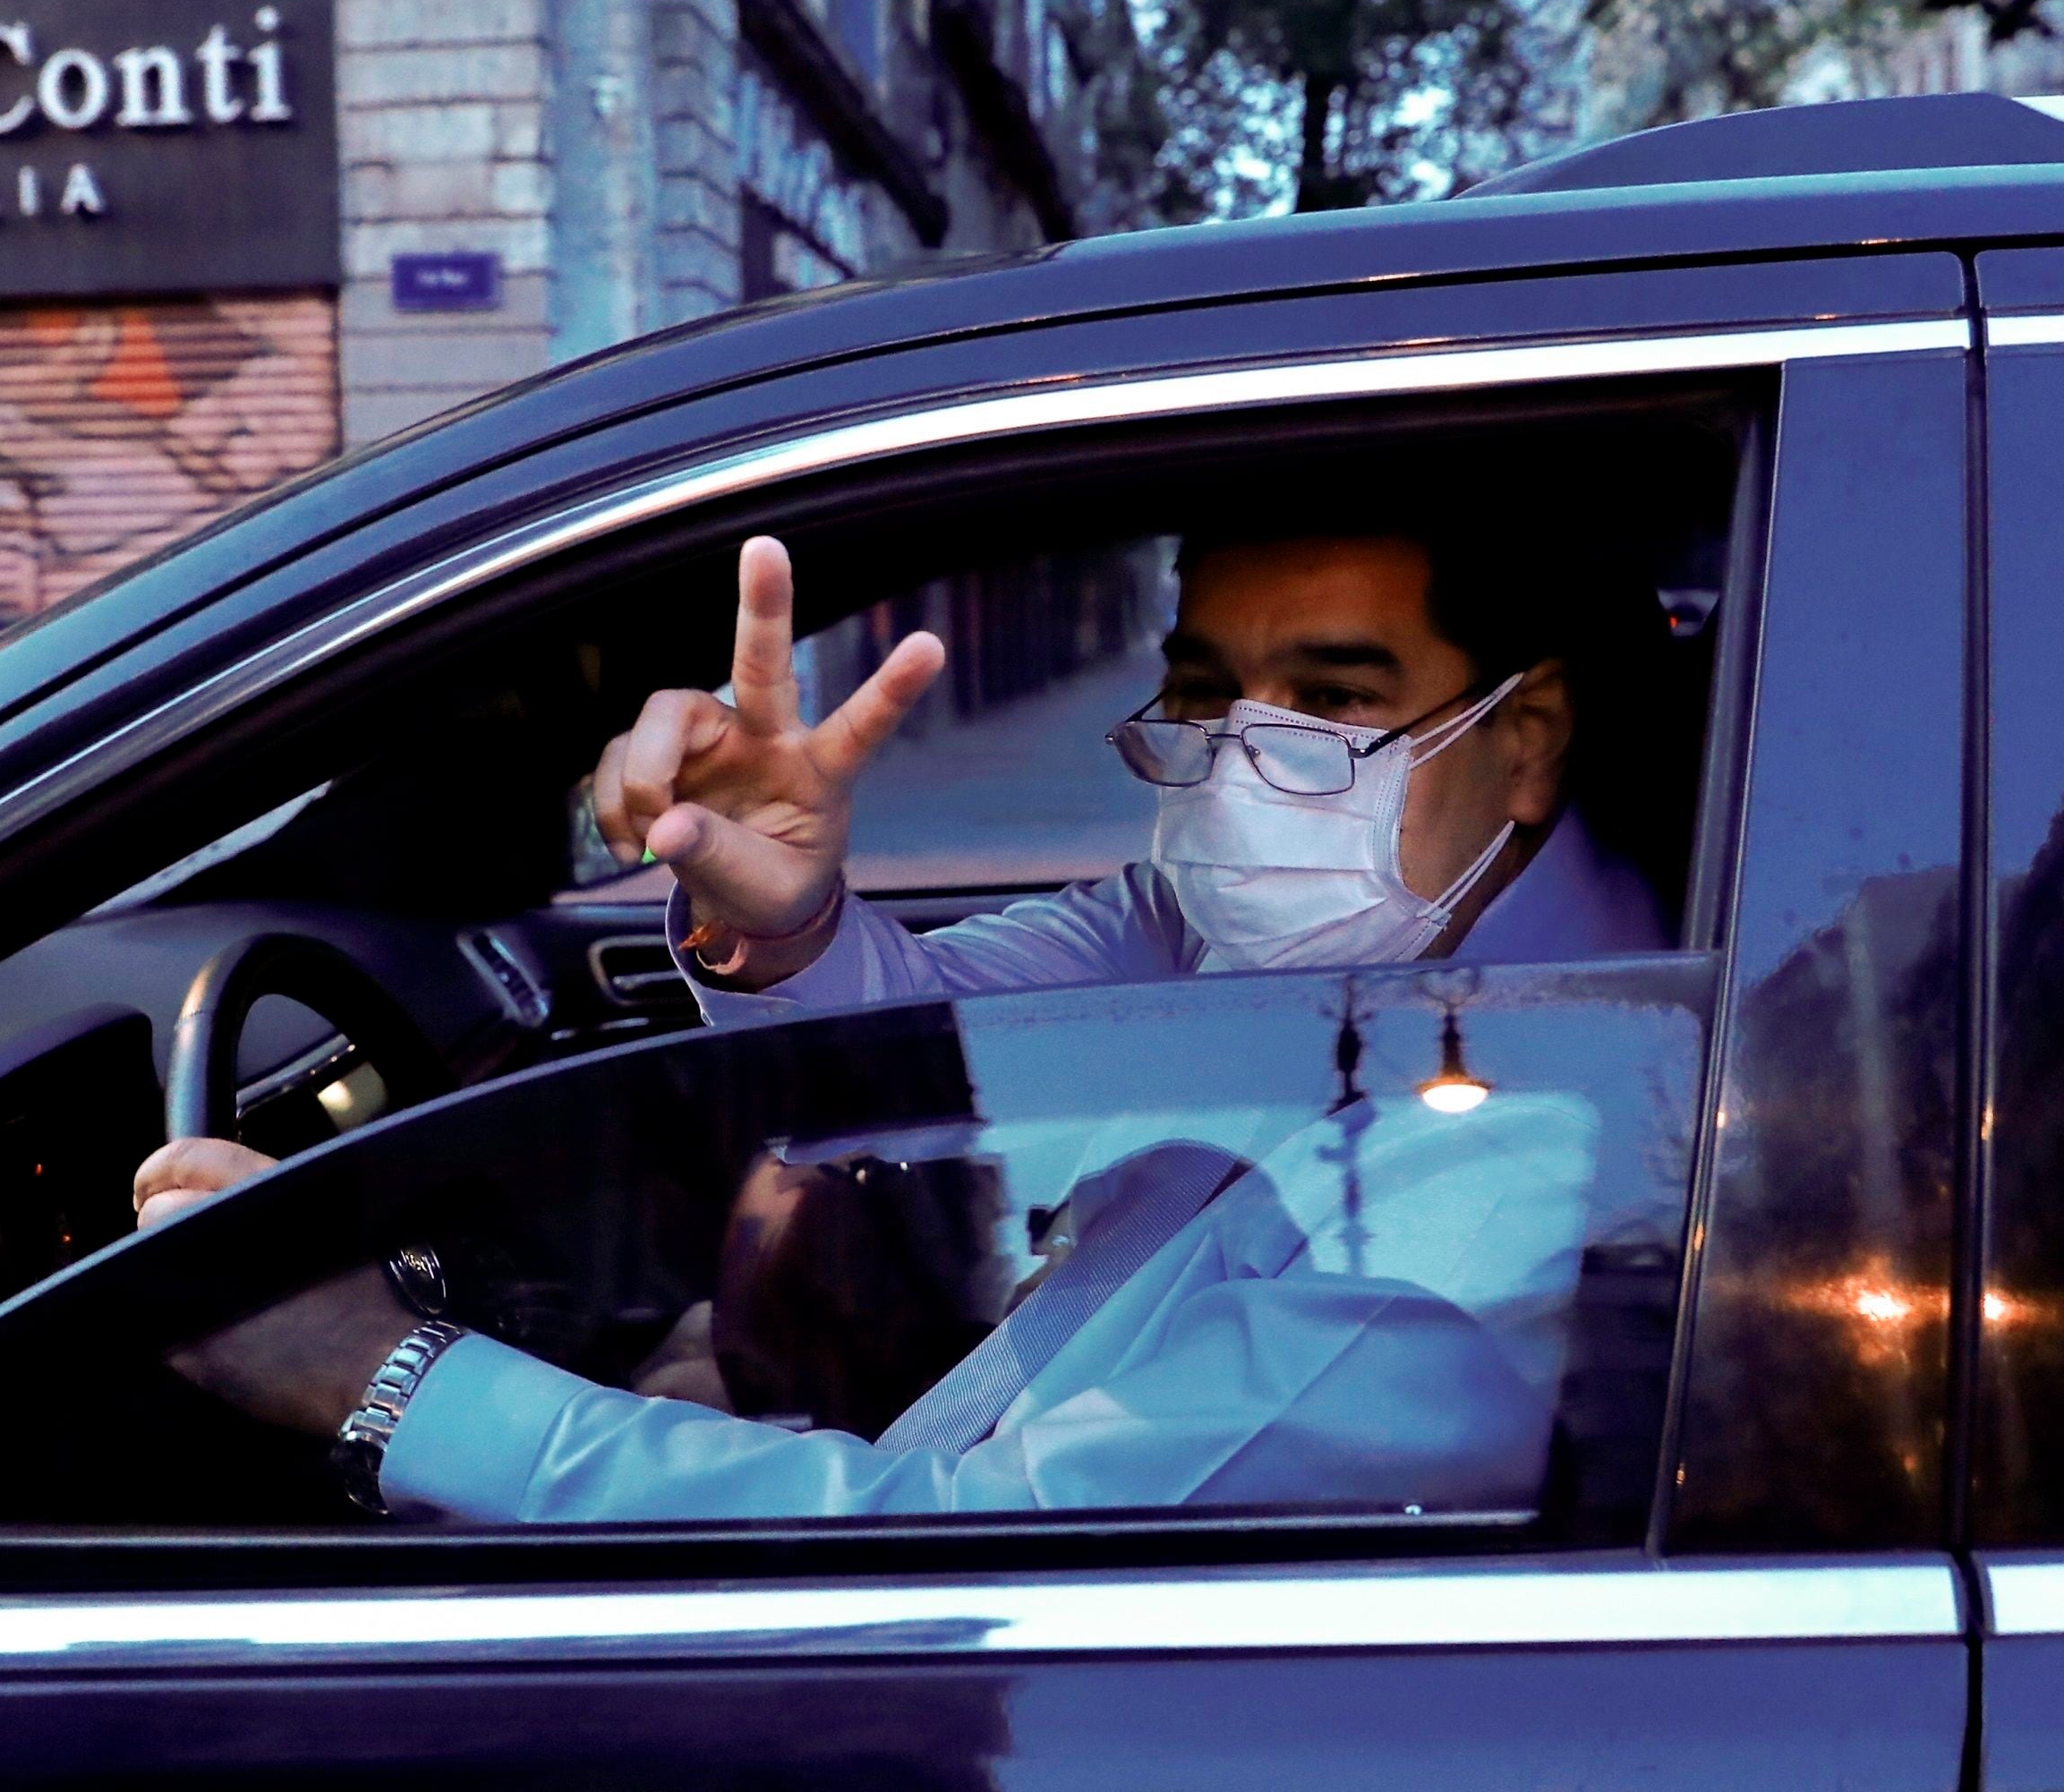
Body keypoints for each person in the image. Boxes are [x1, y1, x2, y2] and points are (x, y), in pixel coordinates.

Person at [130, 520, 1682, 1523]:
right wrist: (781, 908)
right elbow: (941, 1038)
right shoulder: (1288, 922)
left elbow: (948, 1550)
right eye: (1205, 692)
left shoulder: (1507, 1206)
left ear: (1524, 740)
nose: (1233, 757)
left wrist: (386, 1378)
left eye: (1332, 701)